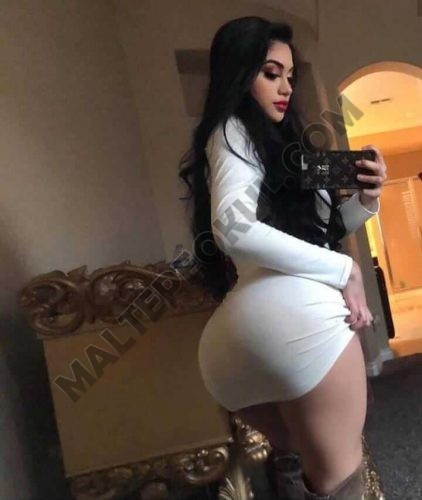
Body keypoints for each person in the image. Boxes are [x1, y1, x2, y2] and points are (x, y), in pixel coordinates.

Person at [178, 16, 387, 500]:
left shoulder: (283, 149)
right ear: (239, 74)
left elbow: (317, 235)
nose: (286, 87)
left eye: (290, 76)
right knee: (342, 481)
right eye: (271, 74)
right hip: (295, 326)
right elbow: (233, 228)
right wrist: (346, 268)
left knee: (300, 471)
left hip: (241, 343)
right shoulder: (232, 129)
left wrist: (366, 201)